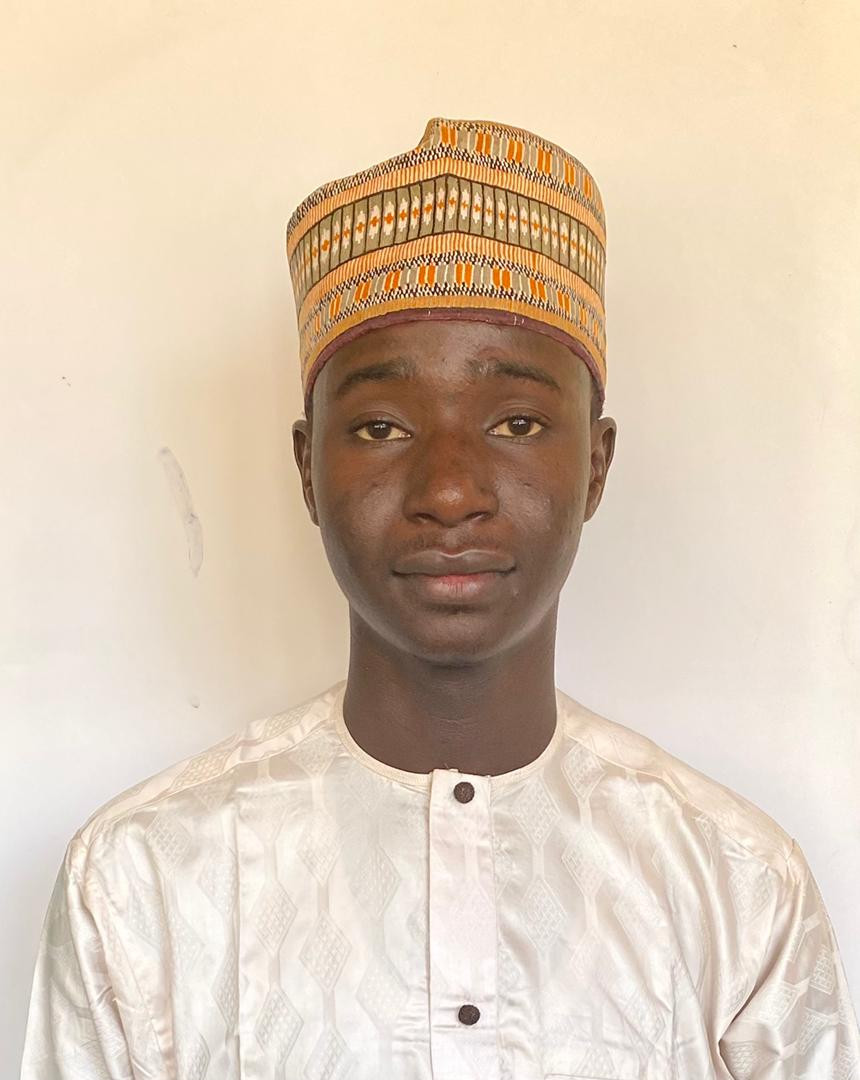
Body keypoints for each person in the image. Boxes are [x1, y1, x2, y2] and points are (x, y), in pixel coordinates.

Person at [20, 116, 859, 1080]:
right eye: (381, 427)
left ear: (595, 465)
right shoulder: (141, 888)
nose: (450, 491)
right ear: (306, 467)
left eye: (517, 422)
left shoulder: (739, 890)